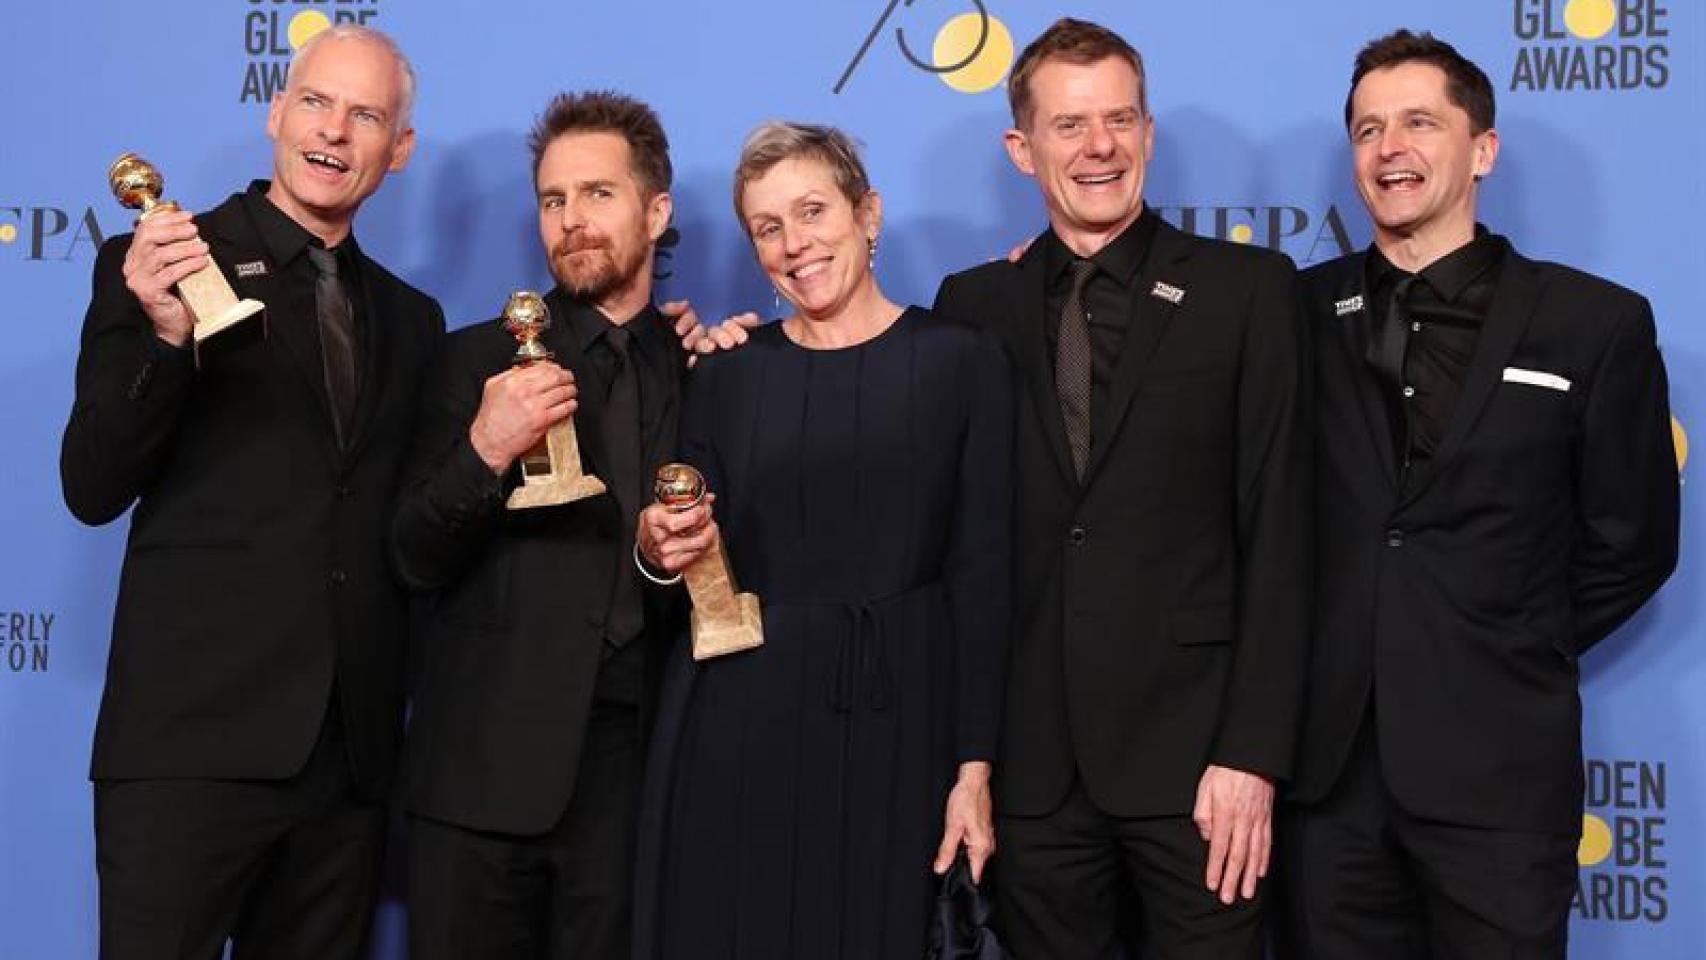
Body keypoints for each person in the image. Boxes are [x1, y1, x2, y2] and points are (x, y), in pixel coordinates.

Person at [1276, 30, 1679, 959]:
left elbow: (1634, 541)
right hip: (1327, 778)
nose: (1391, 149)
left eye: (1419, 122)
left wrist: (1507, 632)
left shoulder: (1595, 323)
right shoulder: (1290, 311)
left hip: (1500, 772)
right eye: (1369, 130)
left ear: (1482, 149)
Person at [930, 18, 1312, 959]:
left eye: (1120, 119)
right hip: (1036, 769)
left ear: (1147, 133)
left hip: (1200, 768)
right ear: (1023, 149)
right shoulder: (971, 307)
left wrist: (1252, 756)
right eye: (1069, 126)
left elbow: (1285, 533)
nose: (1099, 146)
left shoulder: (1251, 291)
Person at [60, 25, 442, 959]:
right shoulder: (159, 262)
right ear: (275, 112)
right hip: (190, 746)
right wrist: (162, 339)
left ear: (399, 151)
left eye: (366, 116)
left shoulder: (413, 318)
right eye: (315, 101)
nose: (335, 132)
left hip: (344, 767)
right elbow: (92, 484)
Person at [632, 121, 1013, 959]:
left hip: (905, 720)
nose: (794, 244)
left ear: (867, 214)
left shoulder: (962, 361)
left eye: (812, 211)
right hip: (741, 722)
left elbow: (985, 579)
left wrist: (974, 767)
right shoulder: (726, 374)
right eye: (768, 227)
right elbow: (689, 552)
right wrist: (660, 546)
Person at [389, 91, 689, 960]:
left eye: (598, 194)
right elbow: (410, 554)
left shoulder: (708, 367)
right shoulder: (473, 358)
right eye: (554, 200)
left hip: (634, 788)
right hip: (477, 784)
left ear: (656, 210)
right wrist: (484, 450)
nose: (572, 222)